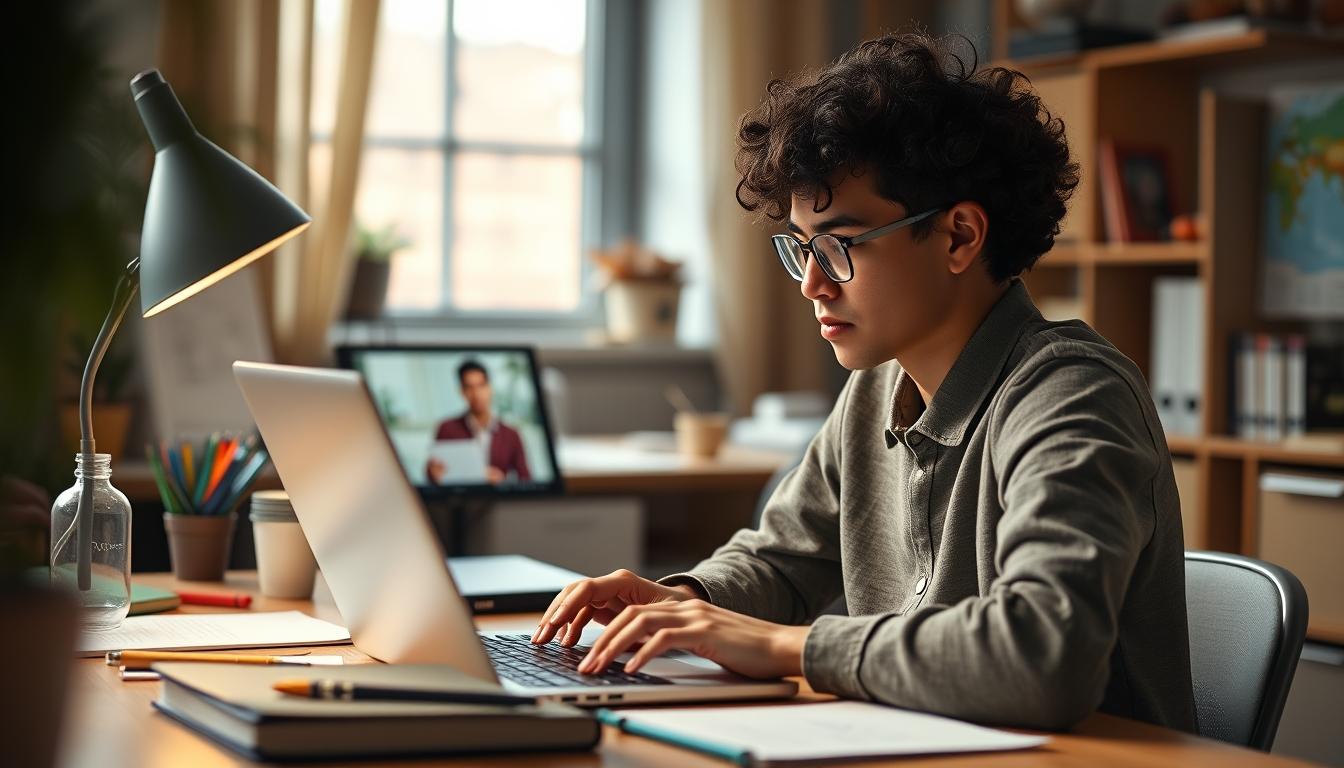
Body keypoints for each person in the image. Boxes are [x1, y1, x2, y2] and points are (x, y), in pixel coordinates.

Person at [531, 33, 1197, 732]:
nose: (813, 284)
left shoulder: (1071, 394)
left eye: (841, 246)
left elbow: (1041, 658)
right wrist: (679, 604)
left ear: (960, 237)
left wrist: (787, 647)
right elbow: (784, 561)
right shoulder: (879, 386)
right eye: (801, 248)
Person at [426, 361, 530, 485]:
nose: (476, 394)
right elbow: (432, 476)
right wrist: (433, 472)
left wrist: (503, 482)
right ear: (462, 392)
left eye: (481, 385)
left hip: (501, 501)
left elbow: (526, 480)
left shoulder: (511, 435)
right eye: (469, 388)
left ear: (490, 388)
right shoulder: (447, 429)